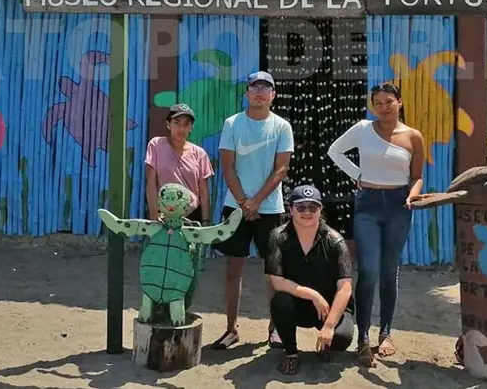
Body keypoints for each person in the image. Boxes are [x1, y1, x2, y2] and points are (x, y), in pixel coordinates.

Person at [326, 82, 425, 366]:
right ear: (372, 106)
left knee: (388, 270)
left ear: (400, 102)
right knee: (367, 271)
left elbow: (417, 176)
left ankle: (386, 333)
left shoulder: (413, 136)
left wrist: (412, 195)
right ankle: (363, 338)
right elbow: (335, 151)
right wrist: (358, 175)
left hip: (399, 206)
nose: (383, 107)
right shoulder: (362, 129)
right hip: (367, 204)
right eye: (378, 103)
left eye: (389, 102)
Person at [210, 71, 294, 350]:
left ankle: (275, 328)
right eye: (254, 87)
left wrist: (257, 201)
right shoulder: (232, 123)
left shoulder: (282, 126)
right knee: (233, 269)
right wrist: (244, 202)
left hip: (270, 208)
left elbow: (281, 168)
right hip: (236, 207)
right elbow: (228, 166)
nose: (259, 92)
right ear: (246, 93)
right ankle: (231, 328)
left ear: (273, 95)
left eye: (265, 87)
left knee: (274, 270)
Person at [264, 184, 355, 375]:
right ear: (290, 210)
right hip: (296, 305)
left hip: (327, 307)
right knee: (280, 301)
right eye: (301, 207)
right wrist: (313, 295)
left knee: (342, 337)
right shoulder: (277, 237)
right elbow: (277, 282)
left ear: (320, 210)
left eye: (312, 207)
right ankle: (291, 353)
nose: (307, 212)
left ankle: (326, 345)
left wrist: (330, 325)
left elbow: (345, 287)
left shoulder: (335, 240)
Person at [144, 103, 213, 225]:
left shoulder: (199, 153)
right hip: (164, 215)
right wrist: (154, 213)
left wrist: (205, 221)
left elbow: (203, 190)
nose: (181, 129)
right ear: (168, 124)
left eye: (186, 124)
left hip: (191, 215)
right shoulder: (156, 145)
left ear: (191, 127)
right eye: (177, 123)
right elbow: (151, 182)